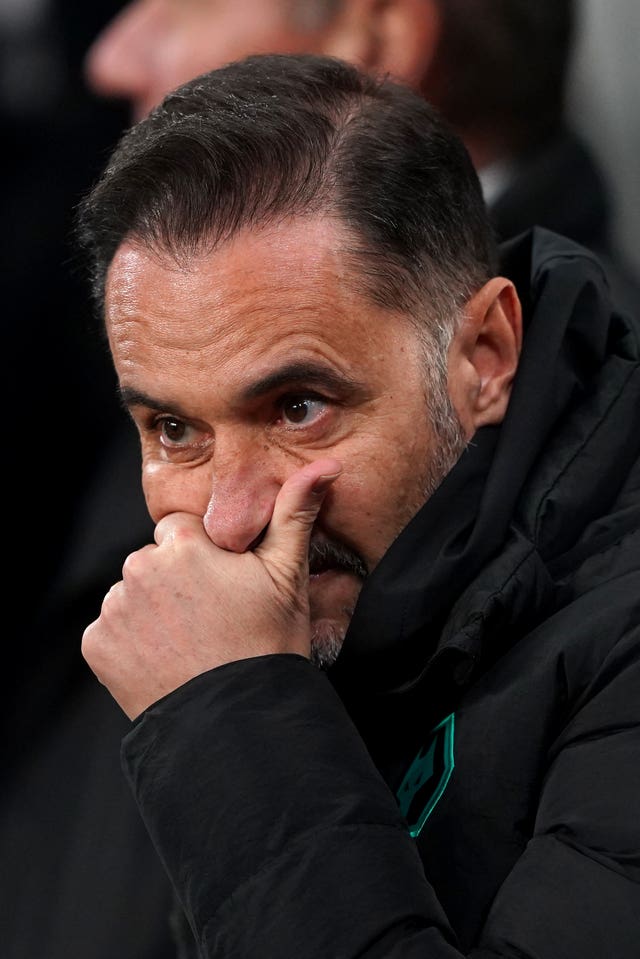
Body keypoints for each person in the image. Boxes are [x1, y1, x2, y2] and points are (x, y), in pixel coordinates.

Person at [77, 53, 640, 957]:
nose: (230, 518)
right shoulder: (241, 632)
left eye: (299, 409)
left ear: (485, 354)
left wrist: (235, 723)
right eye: (173, 429)